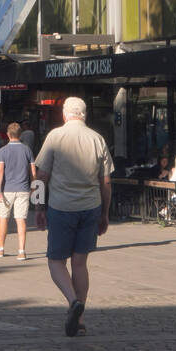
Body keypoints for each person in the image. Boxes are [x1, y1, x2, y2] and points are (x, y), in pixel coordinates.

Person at [34, 97, 114, 337]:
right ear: (85, 114)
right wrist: (105, 213)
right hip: (90, 207)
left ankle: (72, 302)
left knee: (56, 261)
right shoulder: (97, 139)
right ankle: (79, 318)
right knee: (80, 263)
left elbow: (41, 176)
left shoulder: (55, 137)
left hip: (61, 207)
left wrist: (38, 207)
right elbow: (106, 182)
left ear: (64, 114)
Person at [0, 123, 36, 260]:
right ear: (20, 134)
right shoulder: (27, 150)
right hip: (23, 189)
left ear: (8, 134)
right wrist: (33, 188)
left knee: (3, 218)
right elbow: (33, 171)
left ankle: (0, 249)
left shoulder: (3, 151)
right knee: (21, 220)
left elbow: (0, 171)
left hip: (8, 190)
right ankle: (22, 251)